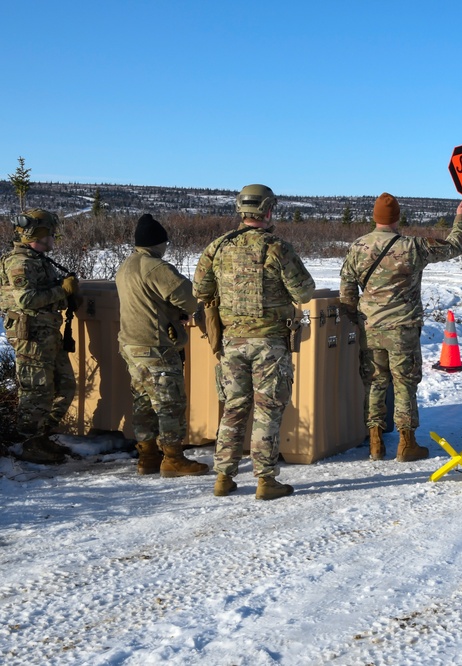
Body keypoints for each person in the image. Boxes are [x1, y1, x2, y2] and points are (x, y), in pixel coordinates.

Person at [193, 184, 315, 500]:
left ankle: (223, 476)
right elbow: (304, 293)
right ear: (269, 210)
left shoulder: (217, 247)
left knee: (233, 408)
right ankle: (265, 480)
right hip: (269, 346)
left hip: (231, 344)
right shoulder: (278, 248)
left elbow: (200, 290)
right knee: (267, 411)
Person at [339, 193, 462, 462]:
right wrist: (461, 217)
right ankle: (407, 443)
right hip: (403, 330)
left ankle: (375, 443)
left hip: (371, 328)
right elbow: (454, 246)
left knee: (375, 383)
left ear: (375, 217)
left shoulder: (357, 247)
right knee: (405, 385)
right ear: (397, 218)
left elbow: (347, 290)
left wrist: (357, 317)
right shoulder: (413, 246)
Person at [116, 214, 207, 477]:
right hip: (156, 346)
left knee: (143, 401)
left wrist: (169, 312)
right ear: (159, 243)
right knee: (170, 403)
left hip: (131, 344)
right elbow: (190, 299)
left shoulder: (127, 265)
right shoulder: (156, 267)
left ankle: (147, 457)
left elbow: (148, 302)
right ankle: (173, 459)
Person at [0, 209, 78, 464]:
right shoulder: (21, 262)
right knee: (36, 391)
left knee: (64, 386)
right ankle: (28, 443)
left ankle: (41, 436)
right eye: (51, 234)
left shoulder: (37, 259)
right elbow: (26, 299)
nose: (54, 239)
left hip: (46, 334)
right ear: (40, 235)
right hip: (31, 337)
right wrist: (61, 290)